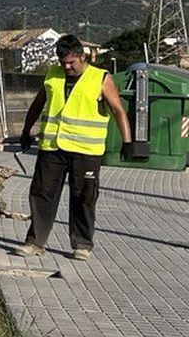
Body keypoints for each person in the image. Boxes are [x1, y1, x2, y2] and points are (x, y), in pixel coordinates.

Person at [18, 34, 131, 260]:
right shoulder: (53, 74)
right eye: (63, 62)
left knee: (84, 197)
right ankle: (35, 242)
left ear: (82, 56)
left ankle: (82, 244)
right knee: (42, 194)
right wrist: (26, 131)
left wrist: (128, 142)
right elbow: (38, 104)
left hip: (86, 151)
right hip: (53, 147)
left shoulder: (100, 78)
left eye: (71, 62)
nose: (67, 66)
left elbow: (118, 110)